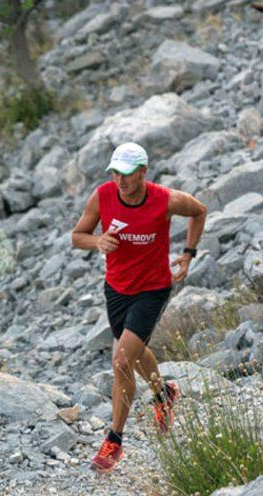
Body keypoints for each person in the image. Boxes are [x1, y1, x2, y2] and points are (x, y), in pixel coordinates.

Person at [71, 142, 207, 472]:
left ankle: (114, 441)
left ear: (143, 171)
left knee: (121, 361)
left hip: (153, 289)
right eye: (115, 173)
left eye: (128, 174)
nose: (120, 180)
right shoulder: (103, 196)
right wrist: (97, 241)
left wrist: (188, 254)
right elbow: (77, 236)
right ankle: (164, 395)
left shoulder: (165, 200)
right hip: (117, 289)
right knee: (135, 351)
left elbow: (199, 211)